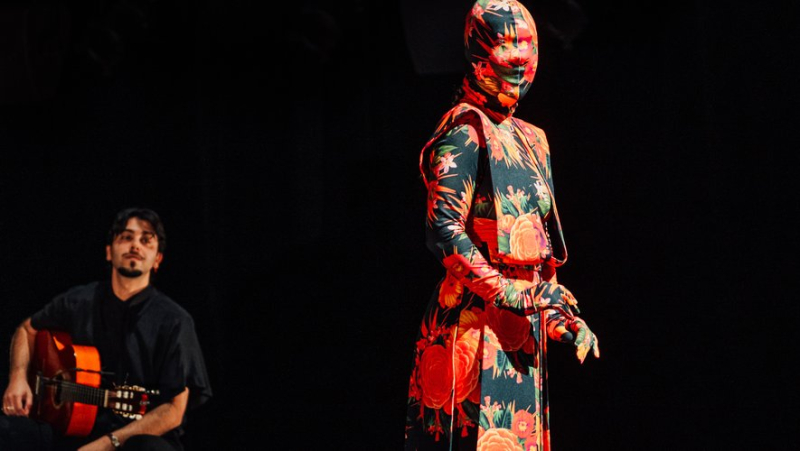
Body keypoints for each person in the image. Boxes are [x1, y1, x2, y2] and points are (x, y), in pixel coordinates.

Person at [404, 1, 600, 449]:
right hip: (471, 323)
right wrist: (510, 292)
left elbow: (541, 242)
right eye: (506, 46)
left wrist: (559, 315)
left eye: (528, 47)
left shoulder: (534, 140)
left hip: (522, 333)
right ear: (478, 53)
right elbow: (445, 229)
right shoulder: (464, 129)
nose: (520, 60)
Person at [1, 207, 212, 451]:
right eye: (126, 237)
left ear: (158, 260)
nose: (135, 245)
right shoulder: (79, 300)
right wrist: (17, 378)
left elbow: (173, 411)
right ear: (109, 252)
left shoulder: (175, 321)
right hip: (68, 426)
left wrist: (106, 444)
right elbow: (27, 330)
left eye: (146, 240)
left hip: (134, 437)